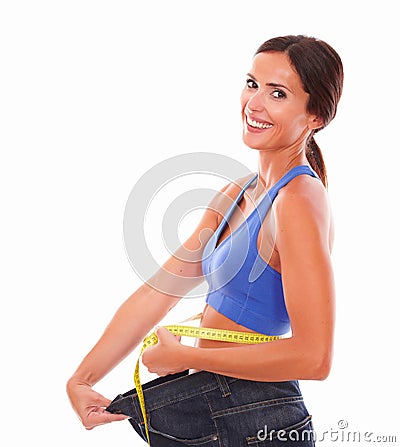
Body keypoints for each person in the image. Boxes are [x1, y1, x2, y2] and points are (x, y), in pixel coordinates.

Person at [67, 34, 344, 446]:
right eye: (252, 84)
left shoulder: (299, 200)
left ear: (315, 116)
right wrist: (82, 378)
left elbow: (315, 357)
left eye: (278, 93)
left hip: (260, 415)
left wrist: (188, 356)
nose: (255, 103)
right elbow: (159, 290)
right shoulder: (238, 193)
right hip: (217, 405)